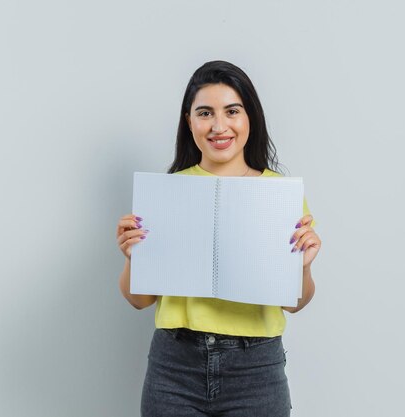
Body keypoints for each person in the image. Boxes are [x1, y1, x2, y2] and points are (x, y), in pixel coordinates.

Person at [115, 60, 322, 417]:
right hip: (174, 366)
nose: (219, 126)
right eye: (205, 113)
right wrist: (133, 258)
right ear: (189, 121)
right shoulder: (166, 192)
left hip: (255, 368)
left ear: (249, 118)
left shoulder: (278, 194)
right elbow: (140, 300)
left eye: (232, 111)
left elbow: (294, 303)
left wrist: (301, 268)